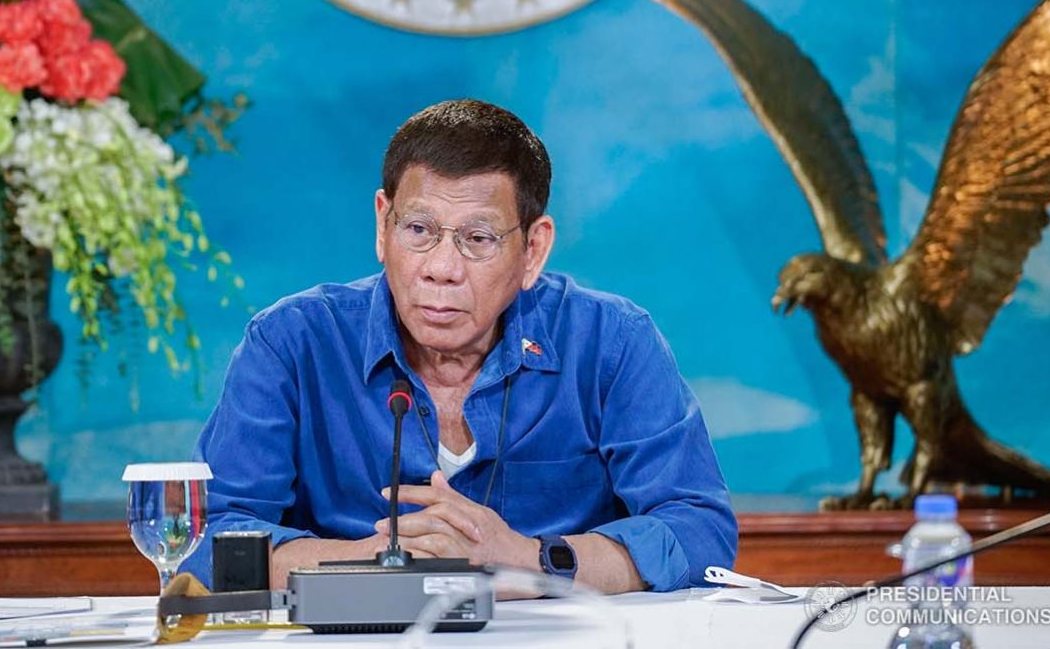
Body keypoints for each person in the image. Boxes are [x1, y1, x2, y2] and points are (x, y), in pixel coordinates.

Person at [184, 99, 736, 593]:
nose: (441, 269)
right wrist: (373, 563)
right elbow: (207, 541)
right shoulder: (292, 343)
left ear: (534, 248)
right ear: (383, 224)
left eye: (478, 239)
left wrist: (526, 561)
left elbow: (698, 531)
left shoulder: (610, 342)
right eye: (419, 230)